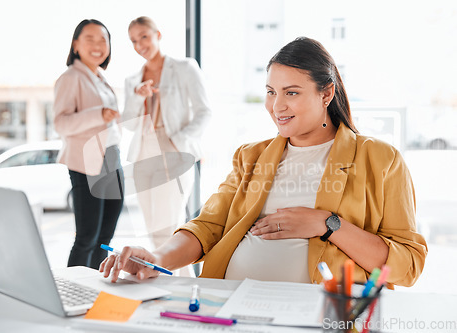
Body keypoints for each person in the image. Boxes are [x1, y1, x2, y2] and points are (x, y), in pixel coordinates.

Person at [100, 37, 427, 288]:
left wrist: (327, 225)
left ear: (326, 94)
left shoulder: (379, 158)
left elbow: (408, 265)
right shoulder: (251, 156)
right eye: (271, 91)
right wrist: (156, 259)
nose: (277, 105)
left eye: (292, 92)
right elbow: (208, 225)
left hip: (318, 313)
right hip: (231, 302)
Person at [122, 16, 211, 249]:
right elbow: (129, 124)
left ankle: (180, 284)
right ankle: (173, 284)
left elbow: (204, 112)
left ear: (157, 35)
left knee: (169, 230)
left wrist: (177, 140)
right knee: (154, 231)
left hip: (174, 150)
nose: (140, 45)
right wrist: (138, 97)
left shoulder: (184, 68)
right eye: (133, 41)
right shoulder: (132, 80)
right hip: (143, 154)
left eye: (144, 37)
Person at [54, 19, 124, 269]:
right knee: (87, 238)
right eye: (90, 39)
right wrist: (98, 115)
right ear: (75, 44)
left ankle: (97, 288)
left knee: (105, 238)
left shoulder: (100, 78)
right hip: (86, 162)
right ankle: (74, 291)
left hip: (112, 159)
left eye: (103, 39)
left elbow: (110, 122)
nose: (97, 45)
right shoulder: (71, 77)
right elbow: (61, 123)